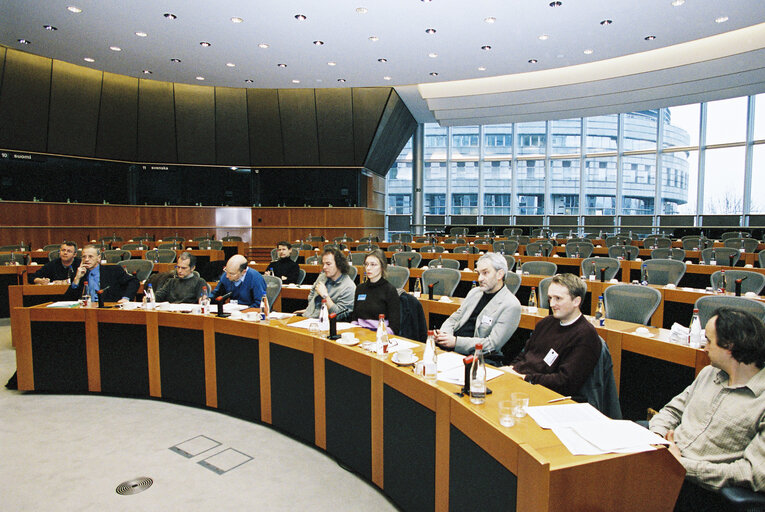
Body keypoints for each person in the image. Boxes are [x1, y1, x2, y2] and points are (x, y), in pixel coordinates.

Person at [649, 308, 765, 511]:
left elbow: (752, 473)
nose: (704, 347)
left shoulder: (760, 400)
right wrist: (659, 439)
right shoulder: (708, 373)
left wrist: (681, 465)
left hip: (703, 492)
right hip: (663, 465)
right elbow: (670, 411)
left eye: (709, 341)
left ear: (730, 346)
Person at [508, 273, 601, 399]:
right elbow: (524, 355)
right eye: (550, 298)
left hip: (548, 396)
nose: (552, 304)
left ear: (576, 301)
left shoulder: (585, 335)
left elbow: (565, 382)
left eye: (558, 298)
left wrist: (526, 378)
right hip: (521, 383)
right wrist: (511, 369)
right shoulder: (545, 323)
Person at [434, 252, 521, 359]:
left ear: (500, 274)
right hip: (451, 348)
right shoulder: (474, 292)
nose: (480, 279)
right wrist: (444, 335)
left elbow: (492, 344)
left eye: (485, 273)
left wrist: (455, 342)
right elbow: (454, 318)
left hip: (480, 358)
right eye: (478, 273)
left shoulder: (511, 305)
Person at [63, 245, 139, 303]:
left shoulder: (113, 270)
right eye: (84, 257)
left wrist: (126, 298)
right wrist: (77, 279)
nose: (86, 259)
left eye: (90, 257)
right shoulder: (78, 274)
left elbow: (134, 282)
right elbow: (68, 300)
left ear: (98, 258)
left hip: (109, 309)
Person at [297, 247, 355, 320]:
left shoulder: (348, 287)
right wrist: (310, 310)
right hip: (310, 317)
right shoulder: (322, 277)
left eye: (328, 264)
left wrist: (325, 296)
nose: (324, 267)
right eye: (323, 264)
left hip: (328, 323)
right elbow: (312, 294)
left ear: (339, 264)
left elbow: (340, 315)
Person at [352, 248, 400, 333]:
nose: (368, 268)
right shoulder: (360, 288)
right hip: (359, 334)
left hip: (379, 335)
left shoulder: (389, 290)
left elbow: (394, 326)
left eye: (373, 264)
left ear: (382, 267)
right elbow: (354, 317)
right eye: (366, 264)